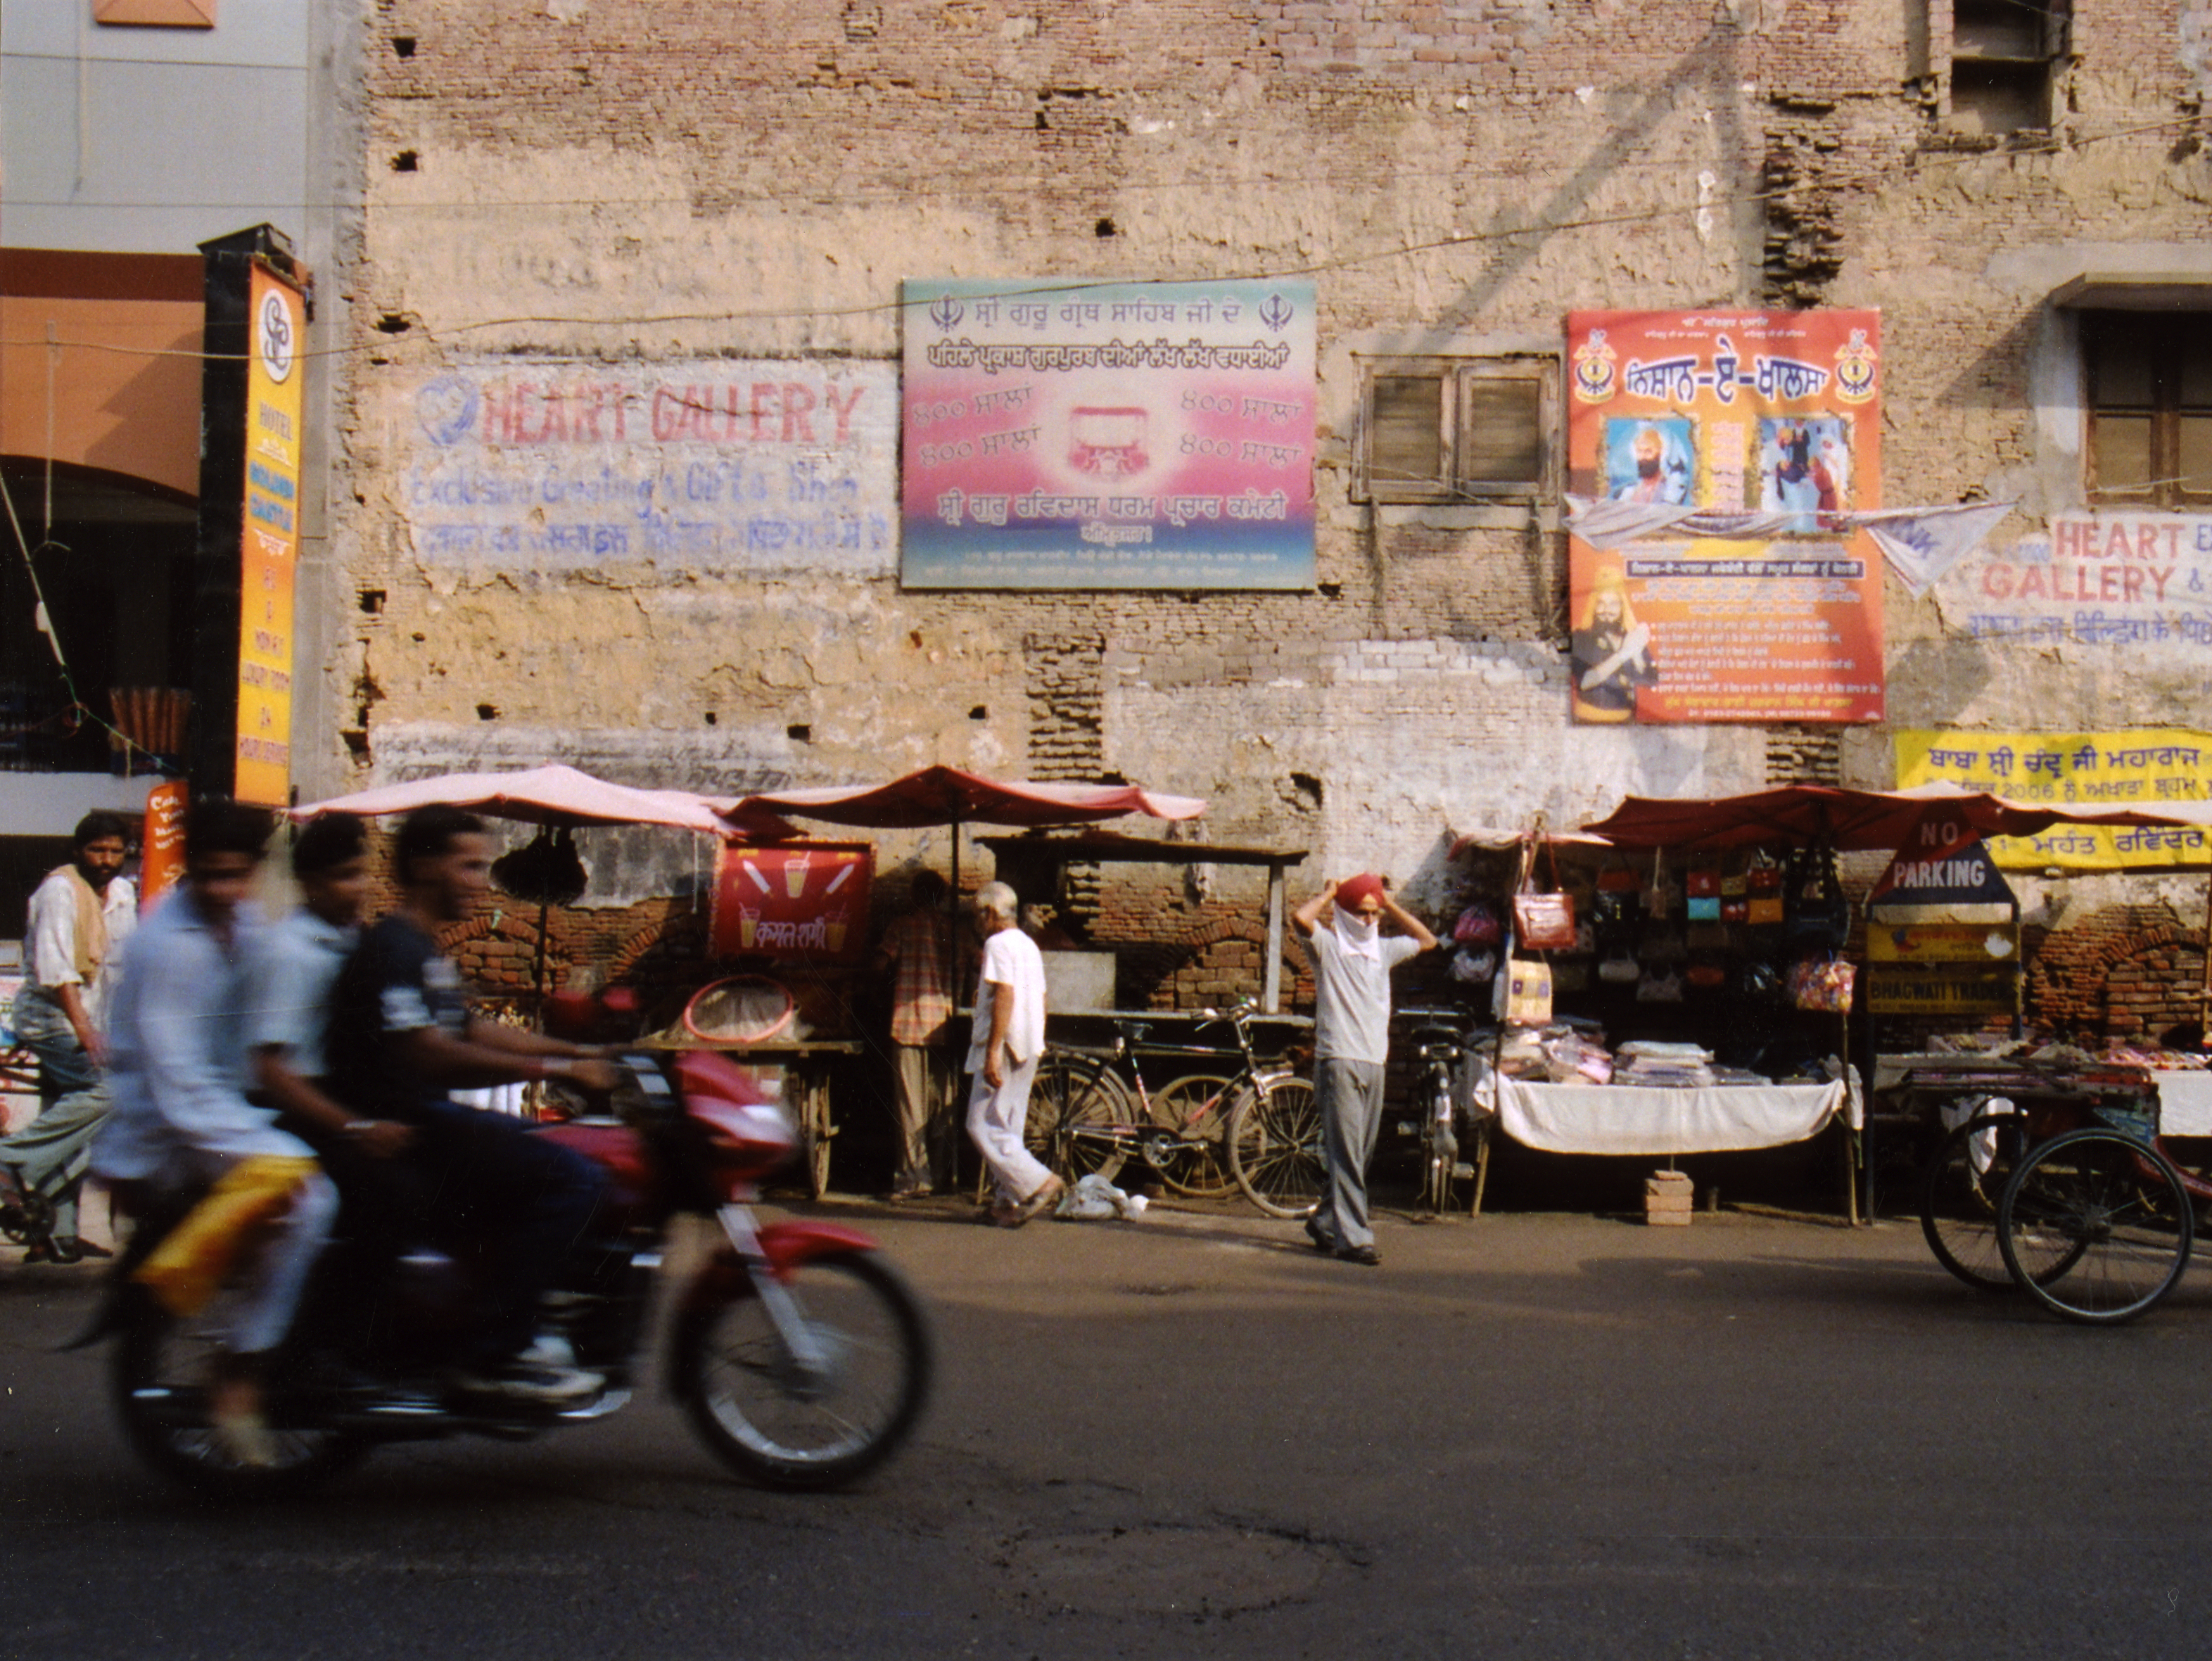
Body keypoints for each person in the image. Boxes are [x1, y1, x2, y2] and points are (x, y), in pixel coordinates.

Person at [322, 805, 616, 1405]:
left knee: (553, 1156)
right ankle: (500, 1349)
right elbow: (429, 1053)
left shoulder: (425, 951)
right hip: (410, 1125)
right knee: (577, 1179)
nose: (480, 880)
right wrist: (559, 1069)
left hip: (427, 1120)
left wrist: (583, 1047)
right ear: (426, 865)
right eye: (470, 865)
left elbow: (475, 1029)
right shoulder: (394, 948)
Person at [91, 798, 340, 1465]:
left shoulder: (244, 920)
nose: (223, 890)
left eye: (236, 875)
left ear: (255, 872)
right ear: (189, 869)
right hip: (171, 1134)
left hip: (221, 1109)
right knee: (313, 1199)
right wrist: (272, 1149)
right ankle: (240, 1371)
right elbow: (179, 1087)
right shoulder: (168, 945)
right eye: (209, 876)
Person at [246, 812, 420, 1364]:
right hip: (301, 1114)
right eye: (346, 875)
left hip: (345, 1100)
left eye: (362, 873)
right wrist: (357, 1128)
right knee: (393, 1200)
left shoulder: (354, 939)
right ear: (311, 882)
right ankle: (335, 1349)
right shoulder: (290, 952)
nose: (361, 886)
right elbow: (272, 1071)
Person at [1, 809, 138, 1262]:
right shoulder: (60, 891)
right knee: (107, 1094)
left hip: (93, 1022)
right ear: (79, 851)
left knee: (79, 1120)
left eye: (115, 850)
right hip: (51, 1019)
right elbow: (58, 972)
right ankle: (11, 1160)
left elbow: (123, 969)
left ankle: (54, 1233)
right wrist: (85, 1033)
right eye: (97, 850)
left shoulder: (120, 893)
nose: (106, 859)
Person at [1291, 872, 1437, 1266]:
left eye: (1374, 915)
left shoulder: (1383, 952)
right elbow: (1301, 920)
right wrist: (1329, 893)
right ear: (1344, 913)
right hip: (1338, 1058)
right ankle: (1355, 1238)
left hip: (1375, 1061)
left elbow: (1428, 941)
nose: (1369, 921)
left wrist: (1388, 904)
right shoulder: (1329, 947)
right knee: (1346, 1155)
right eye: (1362, 913)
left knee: (1360, 1153)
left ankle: (1324, 1222)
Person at [964, 880, 1062, 1228]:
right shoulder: (1028, 946)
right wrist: (1037, 1038)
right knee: (1007, 1127)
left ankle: (1040, 1181)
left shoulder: (997, 944)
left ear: (990, 913)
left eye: (977, 912)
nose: (976, 920)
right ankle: (1005, 1202)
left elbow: (1004, 995)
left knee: (980, 1125)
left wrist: (993, 1051)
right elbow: (1042, 998)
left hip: (1006, 1046)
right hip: (1028, 1043)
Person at [871, 869, 955, 1202]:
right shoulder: (952, 931)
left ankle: (914, 1178)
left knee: (910, 1106)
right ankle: (942, 1173)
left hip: (908, 1024)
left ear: (915, 896)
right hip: (945, 1026)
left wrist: (879, 990)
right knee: (942, 1104)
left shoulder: (902, 926)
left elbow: (880, 964)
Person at [1569, 571, 1658, 723]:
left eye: (1613, 604)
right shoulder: (1581, 636)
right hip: (1589, 721)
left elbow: (1651, 679)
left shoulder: (1629, 636)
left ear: (1622, 607)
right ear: (1594, 606)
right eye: (1601, 604)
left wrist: (1637, 651)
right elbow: (1585, 681)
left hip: (1628, 720)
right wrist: (1623, 654)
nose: (1607, 611)